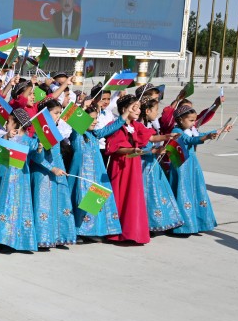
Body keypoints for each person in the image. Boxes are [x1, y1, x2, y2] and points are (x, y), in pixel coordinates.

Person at [68, 102, 124, 239]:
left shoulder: (95, 135)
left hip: (96, 173)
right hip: (81, 174)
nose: (95, 121)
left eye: (96, 118)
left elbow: (112, 127)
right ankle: (79, 231)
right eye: (92, 118)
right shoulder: (76, 135)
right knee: (80, 200)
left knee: (94, 202)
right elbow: (73, 118)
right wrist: (82, 105)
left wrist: (125, 114)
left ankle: (91, 231)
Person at [169, 105, 226, 235]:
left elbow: (200, 135)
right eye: (190, 120)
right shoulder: (177, 131)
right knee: (183, 191)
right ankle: (183, 225)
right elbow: (189, 140)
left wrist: (220, 130)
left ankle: (197, 222)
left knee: (196, 190)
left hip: (192, 164)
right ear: (180, 119)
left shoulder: (191, 129)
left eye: (194, 120)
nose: (193, 123)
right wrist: (206, 138)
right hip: (181, 165)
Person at [29, 99, 76, 248]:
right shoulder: (39, 131)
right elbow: (36, 158)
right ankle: (43, 238)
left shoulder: (55, 130)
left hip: (58, 170)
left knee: (60, 202)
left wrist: (59, 167)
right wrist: (51, 167)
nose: (58, 116)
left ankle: (59, 236)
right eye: (55, 113)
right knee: (44, 205)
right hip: (43, 174)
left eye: (59, 113)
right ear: (45, 114)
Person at [104, 95, 151, 244]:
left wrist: (167, 136)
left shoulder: (136, 126)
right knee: (122, 195)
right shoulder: (116, 125)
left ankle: (133, 232)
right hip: (122, 165)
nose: (138, 110)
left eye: (139, 107)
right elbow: (115, 148)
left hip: (133, 164)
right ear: (125, 109)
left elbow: (150, 137)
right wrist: (131, 151)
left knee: (133, 196)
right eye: (134, 107)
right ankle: (117, 233)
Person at [0, 109, 38, 252]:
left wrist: (40, 145)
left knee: (17, 206)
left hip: (20, 178)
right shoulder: (5, 136)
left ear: (16, 123)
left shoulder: (29, 140)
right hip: (3, 176)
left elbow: (36, 153)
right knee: (1, 204)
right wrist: (5, 137)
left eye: (9, 122)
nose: (6, 124)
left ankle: (15, 239)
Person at [138, 99, 184, 233]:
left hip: (151, 162)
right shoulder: (139, 126)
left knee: (156, 193)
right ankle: (148, 224)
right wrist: (157, 149)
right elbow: (143, 145)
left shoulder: (148, 126)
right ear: (147, 111)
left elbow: (152, 139)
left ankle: (157, 222)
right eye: (156, 110)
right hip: (142, 164)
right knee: (146, 194)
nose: (157, 113)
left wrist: (167, 138)